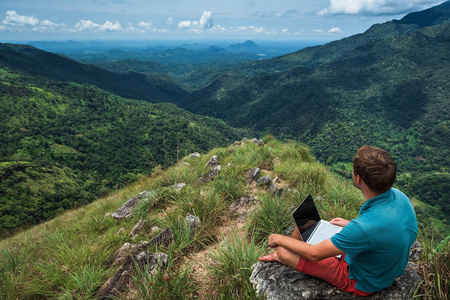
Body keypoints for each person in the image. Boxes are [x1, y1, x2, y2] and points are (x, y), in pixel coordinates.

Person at [259, 145, 418, 296]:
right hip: (385, 268)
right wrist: (351, 226)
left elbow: (314, 254)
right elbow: (389, 231)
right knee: (305, 228)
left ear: (358, 178)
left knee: (283, 250)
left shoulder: (362, 228)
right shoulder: (400, 197)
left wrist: (278, 238)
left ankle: (282, 256)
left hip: (361, 281)